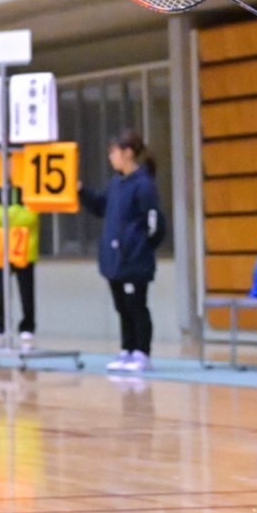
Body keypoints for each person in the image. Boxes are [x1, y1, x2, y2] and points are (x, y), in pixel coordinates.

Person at [81, 131, 164, 374]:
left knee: (137, 306)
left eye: (114, 152)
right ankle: (127, 350)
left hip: (134, 260)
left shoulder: (143, 184)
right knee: (122, 307)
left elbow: (156, 224)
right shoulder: (116, 183)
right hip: (115, 261)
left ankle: (142, 353)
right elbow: (101, 207)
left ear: (127, 153)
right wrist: (81, 191)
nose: (111, 157)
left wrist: (140, 248)